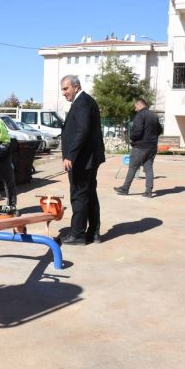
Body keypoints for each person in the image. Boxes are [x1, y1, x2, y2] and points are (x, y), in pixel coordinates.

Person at [60, 75, 105, 245]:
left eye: (66, 88)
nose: (64, 93)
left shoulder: (82, 102)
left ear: (76, 87)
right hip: (87, 158)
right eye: (62, 90)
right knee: (89, 194)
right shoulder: (84, 101)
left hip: (82, 159)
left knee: (79, 194)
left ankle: (77, 234)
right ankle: (93, 233)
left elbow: (82, 130)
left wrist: (70, 155)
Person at [114, 98, 163, 197]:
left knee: (133, 167)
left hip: (140, 147)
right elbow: (160, 130)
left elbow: (137, 131)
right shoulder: (154, 116)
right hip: (152, 147)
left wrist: (132, 138)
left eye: (136, 107)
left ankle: (125, 189)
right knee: (148, 168)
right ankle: (148, 191)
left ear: (140, 105)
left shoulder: (140, 115)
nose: (135, 109)